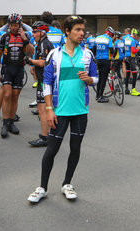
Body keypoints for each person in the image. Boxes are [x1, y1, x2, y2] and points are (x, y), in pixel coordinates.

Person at [27, 16, 98, 203]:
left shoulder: (87, 55)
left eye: (83, 30)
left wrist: (90, 80)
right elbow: (47, 83)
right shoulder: (55, 55)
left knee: (75, 148)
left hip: (81, 111)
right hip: (59, 111)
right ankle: (42, 187)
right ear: (67, 31)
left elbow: (96, 77)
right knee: (51, 150)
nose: (82, 33)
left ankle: (67, 183)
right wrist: (49, 109)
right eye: (77, 30)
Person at [0, 13, 34, 138]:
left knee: (15, 96)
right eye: (11, 25)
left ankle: (11, 121)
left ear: (20, 25)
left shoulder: (26, 36)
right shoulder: (4, 37)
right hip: (7, 68)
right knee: (7, 94)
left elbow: (31, 52)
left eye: (16, 25)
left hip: (19, 69)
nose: (13, 27)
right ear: (9, 25)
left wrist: (24, 38)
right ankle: (5, 123)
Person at [27, 21, 54, 147]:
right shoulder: (43, 43)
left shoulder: (44, 44)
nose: (32, 34)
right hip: (45, 79)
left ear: (42, 32)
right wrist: (34, 65)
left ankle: (45, 137)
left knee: (42, 108)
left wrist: (30, 60)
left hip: (45, 81)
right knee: (45, 108)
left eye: (34, 32)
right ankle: (49, 135)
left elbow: (43, 62)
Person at [93, 27, 115, 103]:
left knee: (99, 78)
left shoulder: (97, 38)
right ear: (110, 34)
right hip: (106, 60)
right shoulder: (109, 39)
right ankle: (100, 96)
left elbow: (94, 50)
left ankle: (97, 95)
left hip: (98, 60)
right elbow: (112, 50)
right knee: (104, 78)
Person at [123, 29, 140, 96]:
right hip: (131, 57)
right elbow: (133, 51)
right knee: (134, 74)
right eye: (136, 35)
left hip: (126, 57)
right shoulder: (133, 40)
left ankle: (126, 89)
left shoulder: (125, 38)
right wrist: (138, 49)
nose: (137, 37)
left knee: (128, 73)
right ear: (134, 34)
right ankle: (133, 90)